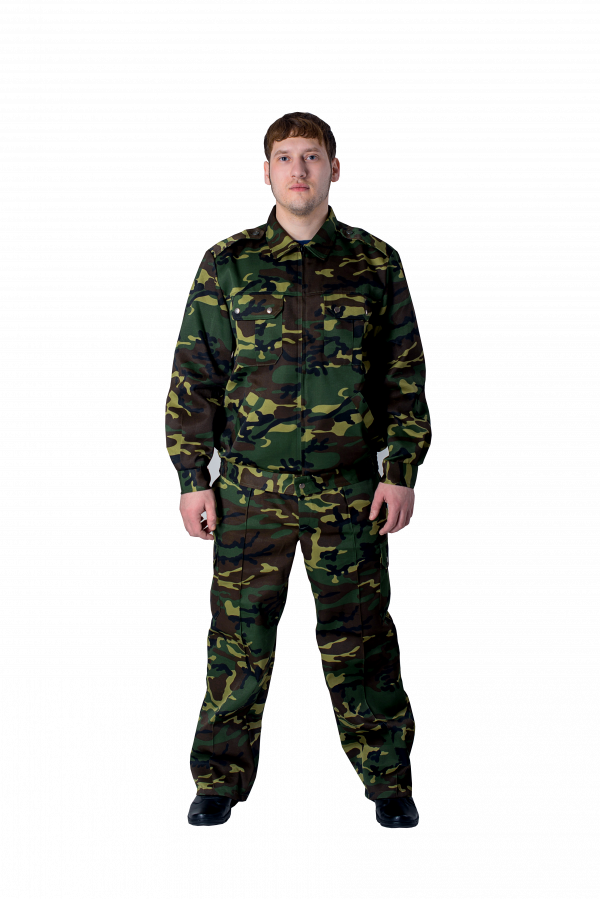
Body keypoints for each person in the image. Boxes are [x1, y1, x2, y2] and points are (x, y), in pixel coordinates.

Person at [165, 111, 431, 829]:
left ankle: (388, 782)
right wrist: (192, 478)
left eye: (312, 156)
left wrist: (402, 469)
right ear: (266, 173)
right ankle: (217, 780)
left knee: (363, 642)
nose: (299, 170)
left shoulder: (375, 261)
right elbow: (194, 376)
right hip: (251, 492)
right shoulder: (228, 261)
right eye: (284, 157)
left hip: (350, 492)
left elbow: (404, 375)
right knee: (237, 642)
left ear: (334, 169)